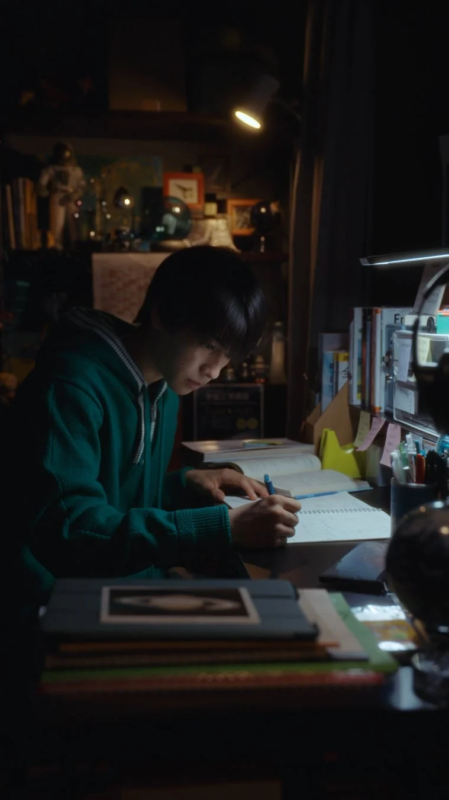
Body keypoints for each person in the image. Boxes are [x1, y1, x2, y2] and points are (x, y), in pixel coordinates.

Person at [11, 246, 301, 610]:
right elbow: (70, 533)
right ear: (162, 314)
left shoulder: (163, 387)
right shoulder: (69, 386)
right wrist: (222, 527)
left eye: (228, 354)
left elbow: (114, 498)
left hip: (126, 584)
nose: (215, 370)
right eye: (209, 345)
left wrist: (182, 485)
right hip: (54, 602)